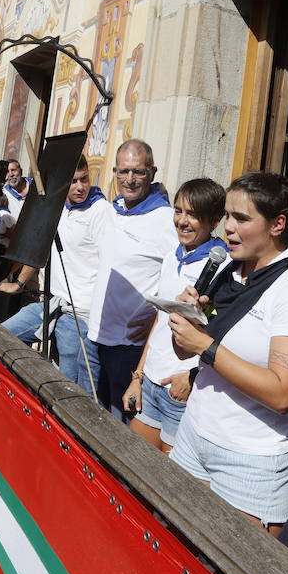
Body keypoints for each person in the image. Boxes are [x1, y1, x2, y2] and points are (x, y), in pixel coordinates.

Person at [166, 173, 288, 535]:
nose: (228, 229)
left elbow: (282, 393)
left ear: (277, 225)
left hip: (250, 461)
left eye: (242, 219)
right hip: (194, 436)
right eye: (226, 217)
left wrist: (205, 345)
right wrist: (186, 325)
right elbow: (184, 353)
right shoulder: (227, 272)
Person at [125, 178, 226, 453]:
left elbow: (223, 333)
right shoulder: (172, 255)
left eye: (193, 215)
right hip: (150, 383)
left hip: (180, 391)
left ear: (215, 220)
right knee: (136, 468)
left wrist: (191, 376)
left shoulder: (222, 265)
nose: (182, 221)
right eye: (179, 211)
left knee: (169, 485)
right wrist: (138, 375)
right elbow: (159, 322)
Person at [0, 156, 112, 396]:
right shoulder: (57, 206)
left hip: (80, 315)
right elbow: (43, 249)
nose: (80, 187)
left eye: (84, 179)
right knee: (0, 336)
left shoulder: (101, 211)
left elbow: (109, 266)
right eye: (73, 182)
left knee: (67, 388)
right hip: (51, 304)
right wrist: (19, 283)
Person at [87, 139, 178, 418]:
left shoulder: (166, 219)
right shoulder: (113, 210)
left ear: (152, 172)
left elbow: (178, 281)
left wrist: (154, 322)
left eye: (138, 172)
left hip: (128, 347)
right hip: (96, 337)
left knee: (122, 429)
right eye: (123, 171)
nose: (129, 179)